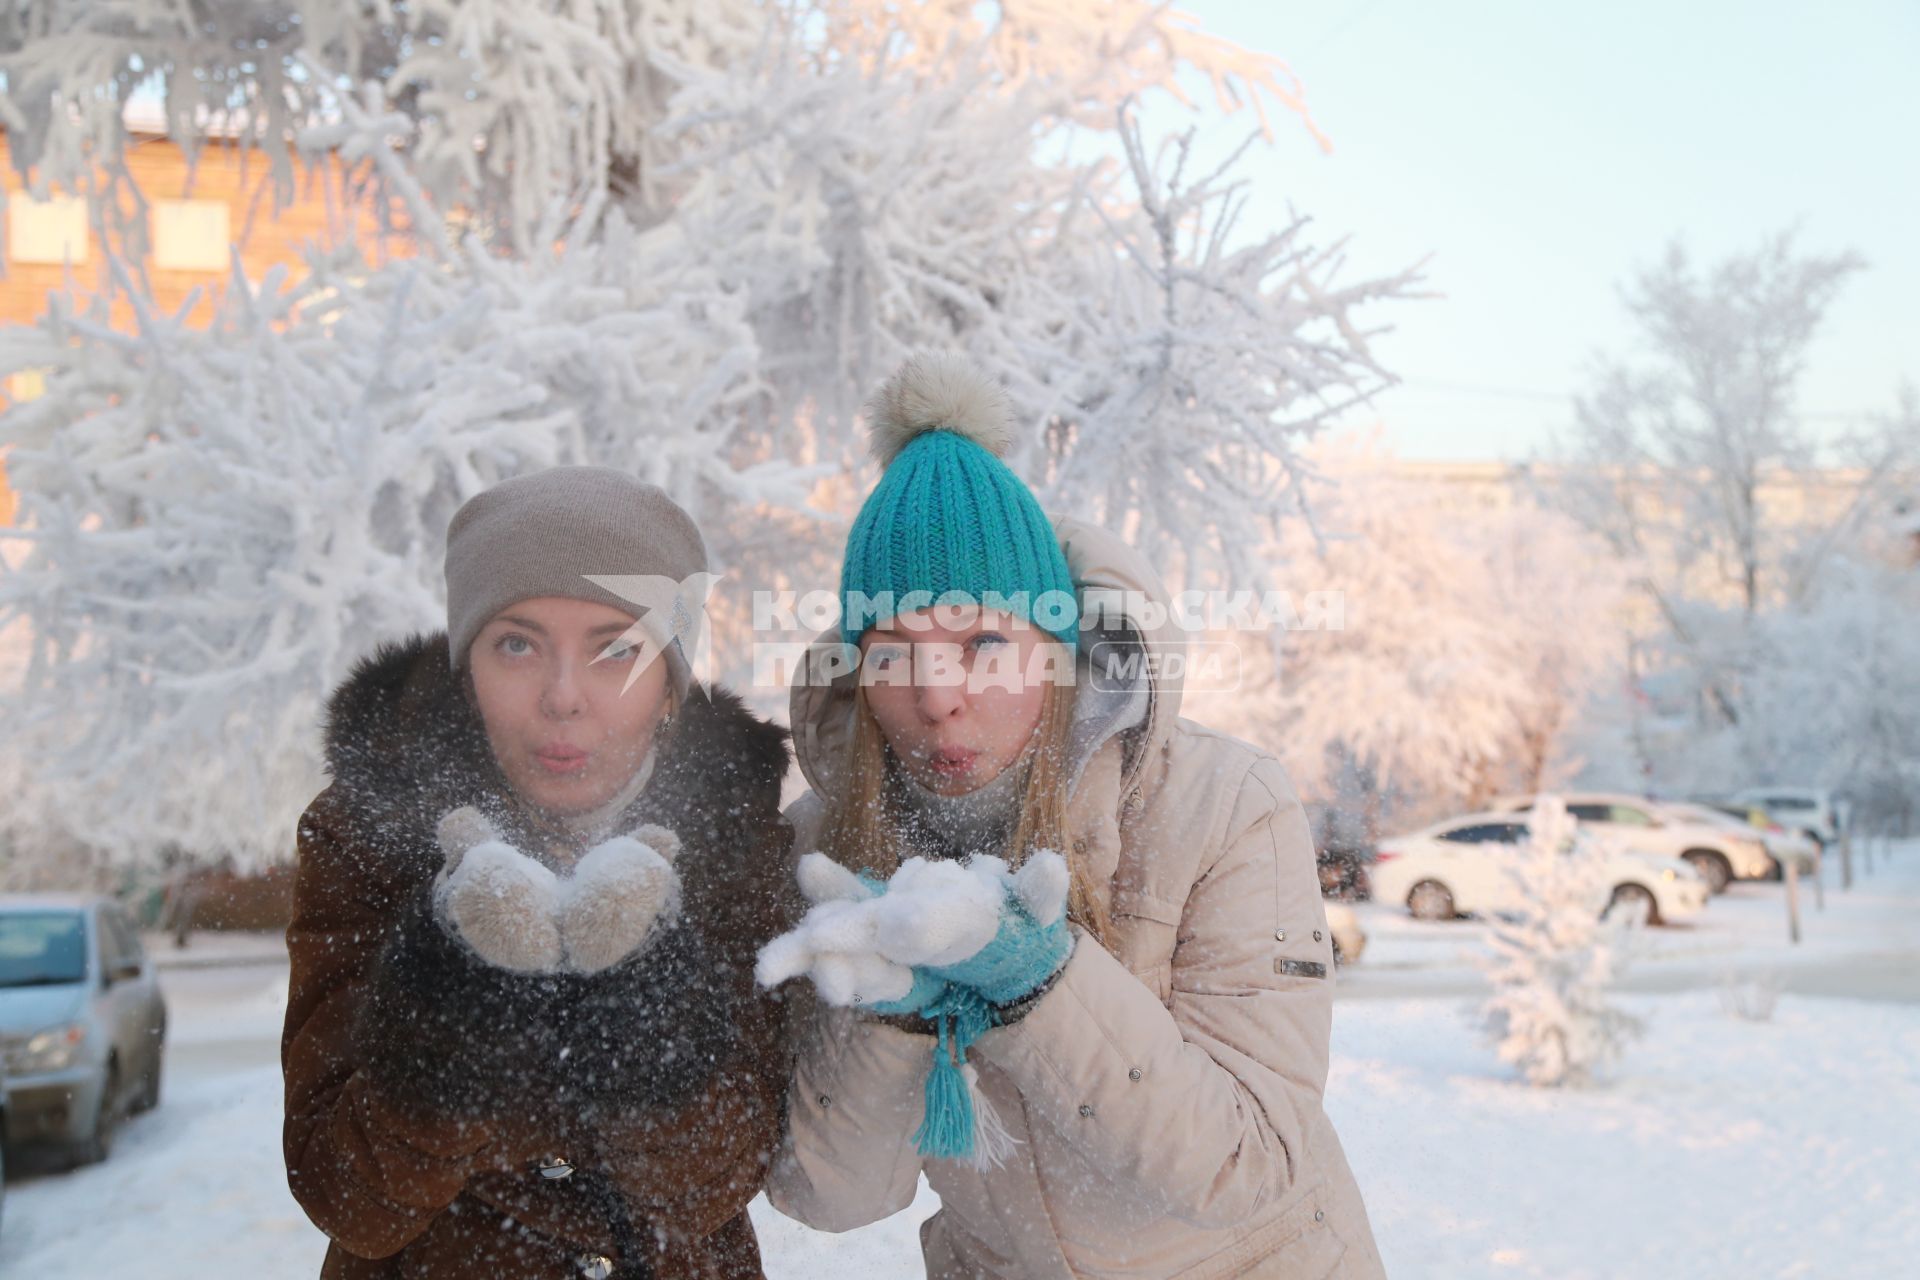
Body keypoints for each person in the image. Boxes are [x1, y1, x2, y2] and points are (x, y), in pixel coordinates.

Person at [764, 355, 1386, 1277]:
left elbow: (1247, 1165)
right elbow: (830, 1197)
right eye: (895, 652)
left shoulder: (1223, 806)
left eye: (983, 642)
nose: (939, 698)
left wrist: (1036, 983)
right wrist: (890, 1022)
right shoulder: (831, 845)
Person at [281, 466, 796, 1279]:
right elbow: (349, 1197)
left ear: (670, 682)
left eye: (616, 649)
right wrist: (448, 997)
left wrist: (648, 1003)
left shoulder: (734, 840)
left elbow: (719, 1179)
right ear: (467, 668)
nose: (563, 697)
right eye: (517, 644)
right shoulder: (369, 829)